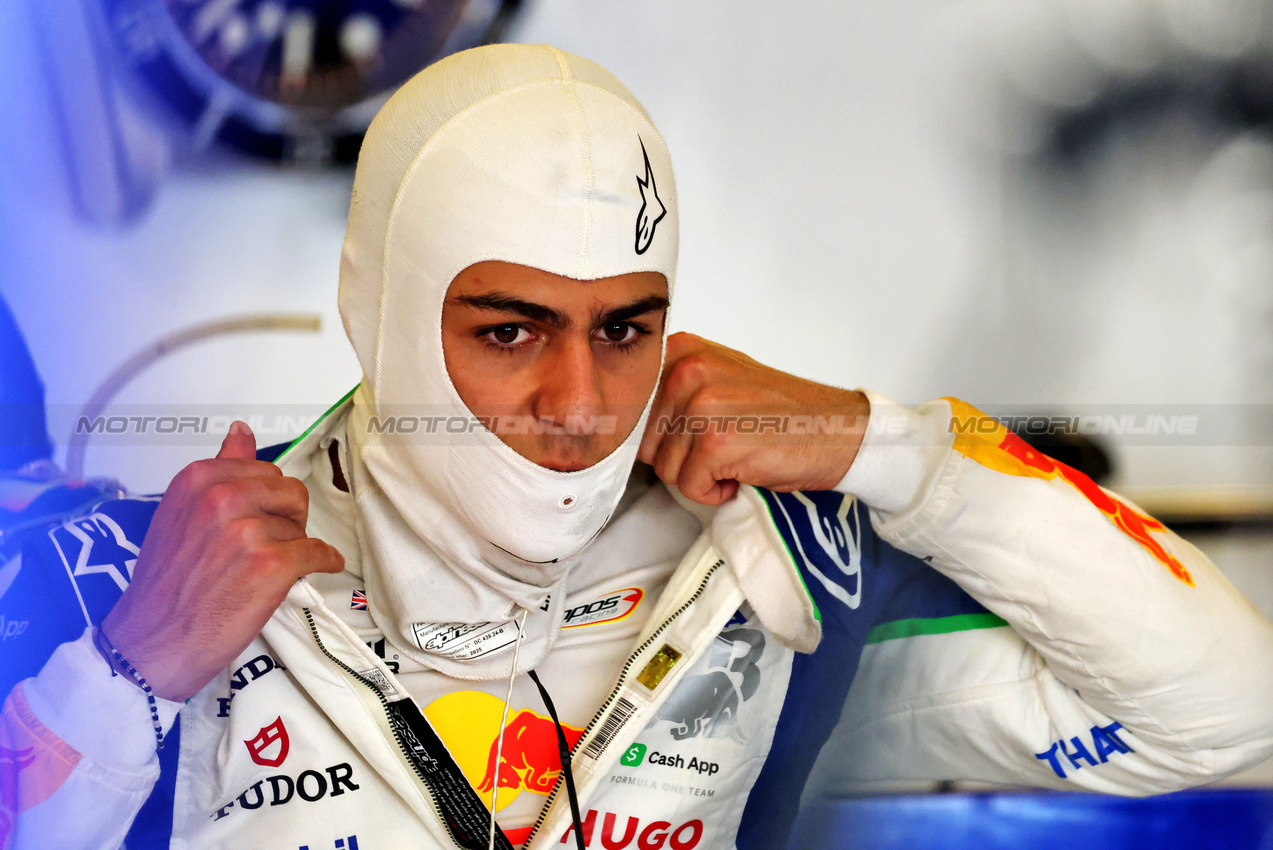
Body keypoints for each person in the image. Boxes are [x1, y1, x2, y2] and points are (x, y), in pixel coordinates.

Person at [3, 43, 1272, 850]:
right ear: (379, 307)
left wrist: (894, 449)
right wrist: (121, 684)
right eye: (510, 330)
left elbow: (1228, 716)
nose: (579, 400)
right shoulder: (118, 581)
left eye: (625, 327)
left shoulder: (781, 572)